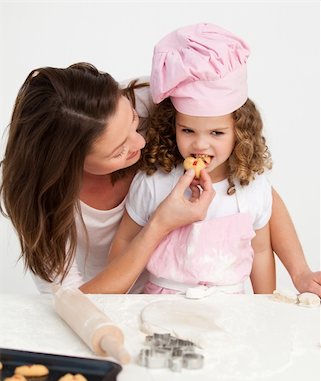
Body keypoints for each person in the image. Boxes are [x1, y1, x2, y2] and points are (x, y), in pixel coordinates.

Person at [0, 60, 320, 295]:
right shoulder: (38, 206)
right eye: (118, 150)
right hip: (114, 305)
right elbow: (76, 307)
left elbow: (253, 189)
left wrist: (300, 273)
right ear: (69, 164)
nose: (140, 141)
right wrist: (160, 224)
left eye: (133, 122)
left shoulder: (158, 105)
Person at [109, 23, 321, 296]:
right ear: (171, 126)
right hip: (161, 304)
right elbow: (125, 240)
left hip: (232, 307)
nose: (199, 144)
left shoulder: (251, 188)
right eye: (187, 130)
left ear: (239, 133)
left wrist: (263, 307)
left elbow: (260, 251)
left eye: (217, 133)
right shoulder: (154, 182)